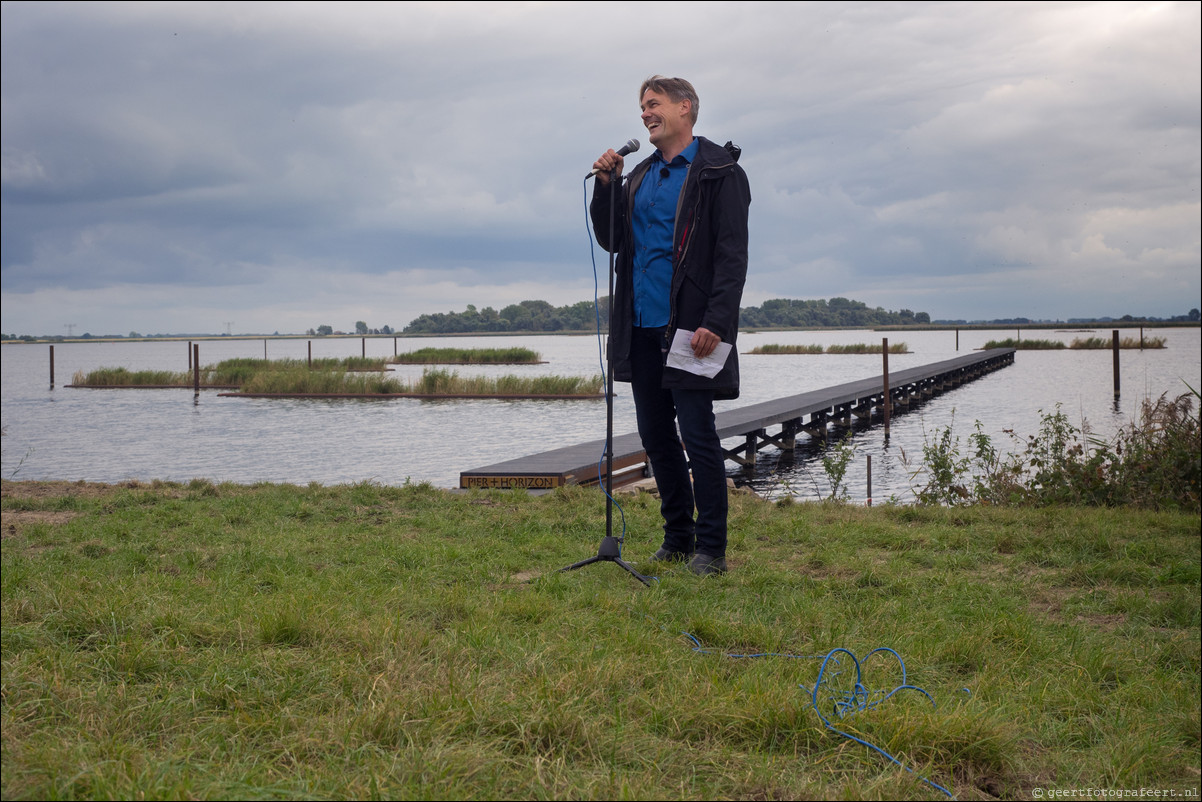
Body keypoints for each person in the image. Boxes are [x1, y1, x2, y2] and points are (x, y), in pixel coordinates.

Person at [590, 75, 750, 576]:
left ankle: (711, 550)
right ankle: (677, 538)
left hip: (692, 329)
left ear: (685, 109)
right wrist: (605, 186)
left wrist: (717, 323)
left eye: (653, 104)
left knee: (698, 435)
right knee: (656, 437)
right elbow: (611, 240)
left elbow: (731, 257)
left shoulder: (718, 172)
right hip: (640, 326)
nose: (644, 114)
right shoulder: (638, 176)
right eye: (641, 107)